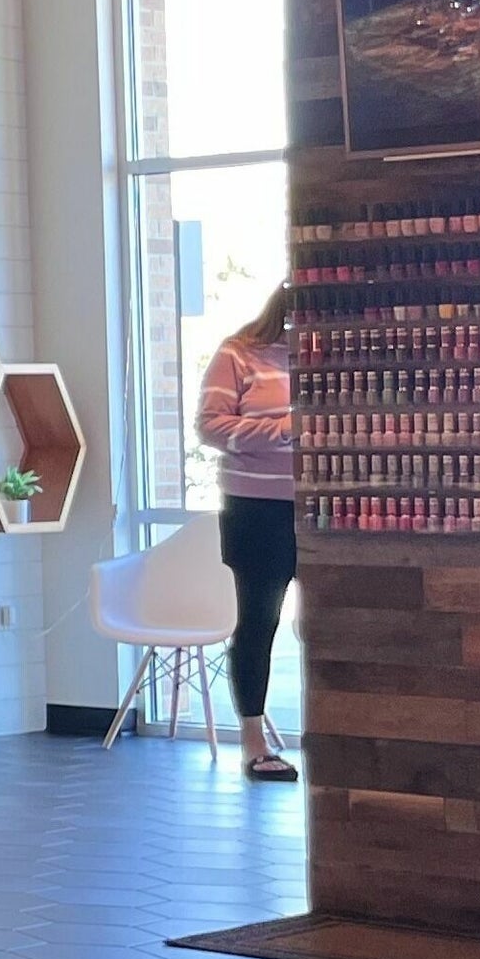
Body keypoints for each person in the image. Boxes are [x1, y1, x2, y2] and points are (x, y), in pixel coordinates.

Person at [196, 287, 297, 782]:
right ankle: (253, 743)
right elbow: (210, 426)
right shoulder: (239, 352)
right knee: (259, 623)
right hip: (257, 509)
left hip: (327, 507)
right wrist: (282, 429)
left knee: (331, 625)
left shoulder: (338, 356)